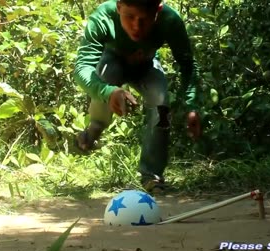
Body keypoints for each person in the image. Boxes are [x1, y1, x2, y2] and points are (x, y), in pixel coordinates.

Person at [72, 0, 202, 194]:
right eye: (129, 17)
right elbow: (82, 68)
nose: (136, 27)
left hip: (146, 66)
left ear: (157, 11)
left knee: (161, 104)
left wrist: (192, 106)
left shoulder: (170, 20)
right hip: (111, 63)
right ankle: (94, 129)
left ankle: (152, 176)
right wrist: (109, 92)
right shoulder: (103, 16)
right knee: (105, 76)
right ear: (118, 7)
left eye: (145, 19)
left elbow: (188, 65)